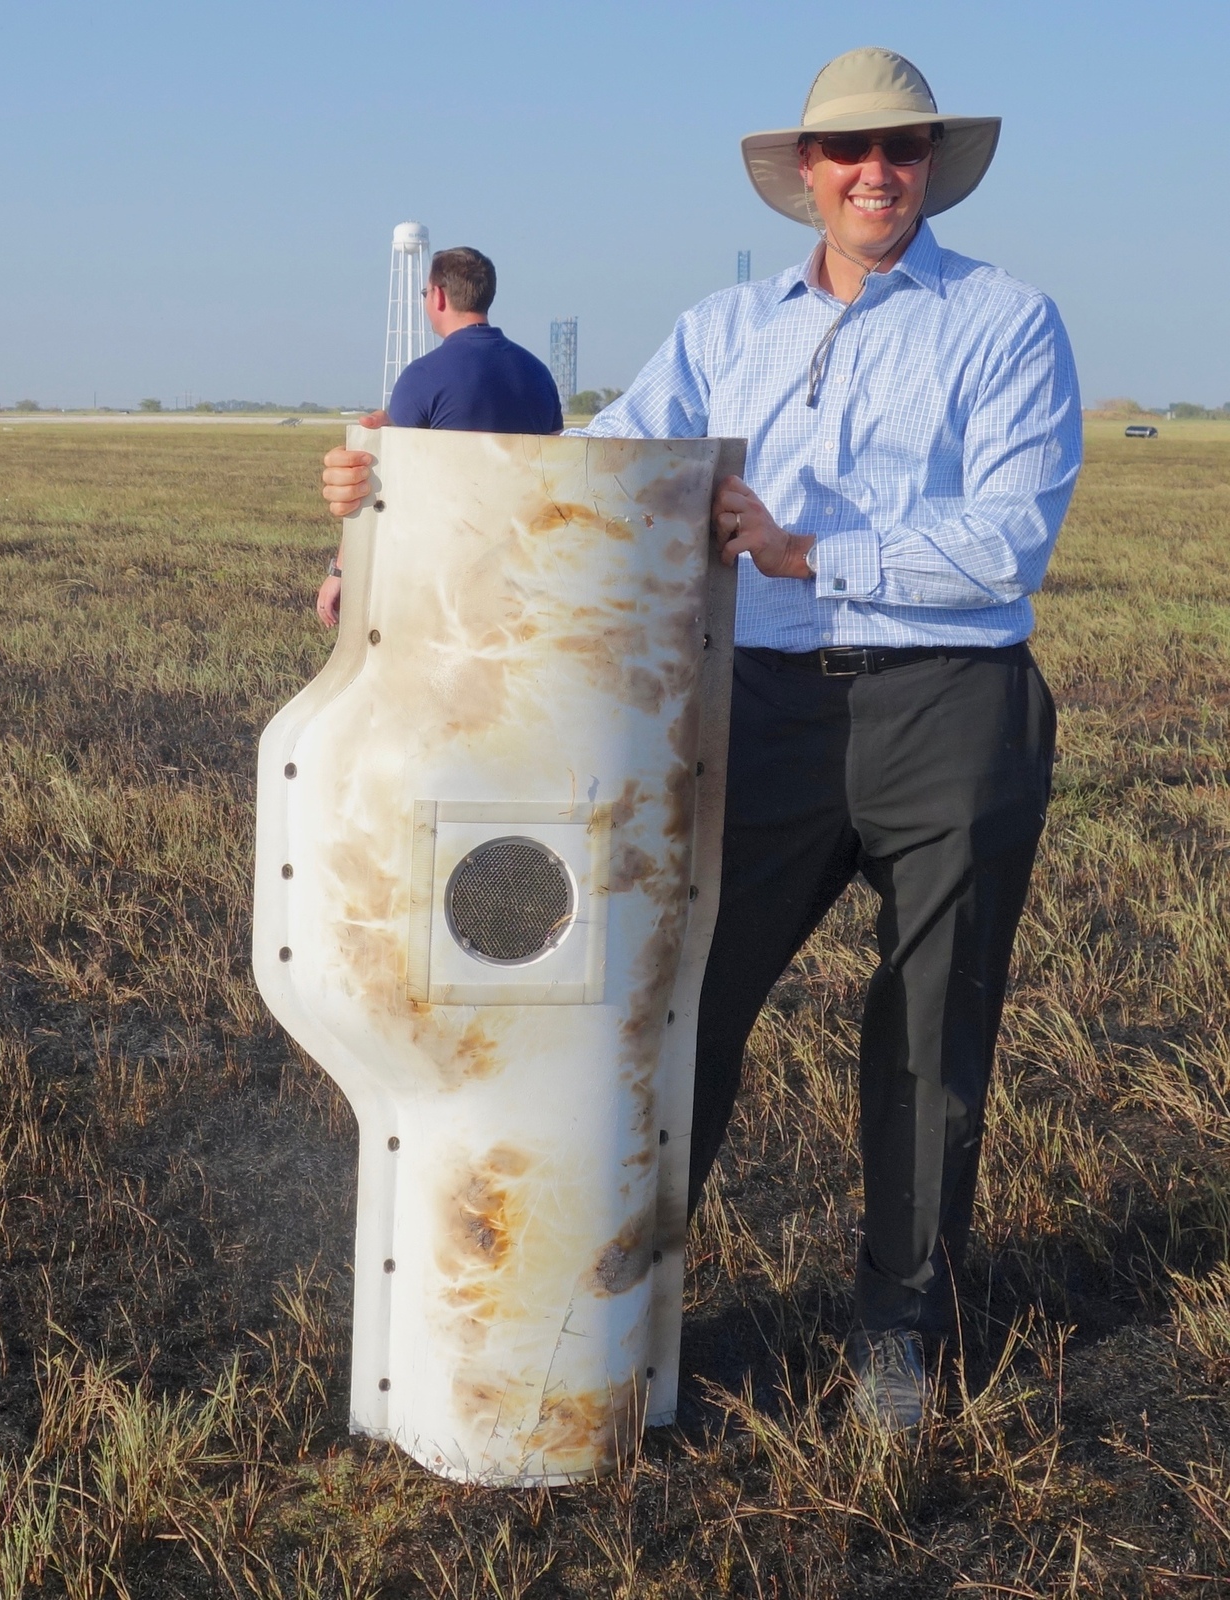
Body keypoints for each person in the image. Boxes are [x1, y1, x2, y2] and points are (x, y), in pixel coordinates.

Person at [317, 47, 1080, 1430]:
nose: (876, 173)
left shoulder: (1007, 325)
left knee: (928, 1030)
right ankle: (618, 1299)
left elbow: (1008, 539)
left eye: (902, 150)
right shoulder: (726, 331)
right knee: (676, 1011)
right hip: (769, 713)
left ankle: (898, 1326)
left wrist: (809, 551)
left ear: (931, 167)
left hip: (952, 709)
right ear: (806, 174)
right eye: (848, 152)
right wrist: (392, 503)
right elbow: (594, 483)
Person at [316, 247, 562, 625]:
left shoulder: (423, 377)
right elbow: (560, 471)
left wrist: (341, 572)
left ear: (439, 296)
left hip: (444, 575)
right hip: (527, 572)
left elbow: (378, 482)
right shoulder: (539, 374)